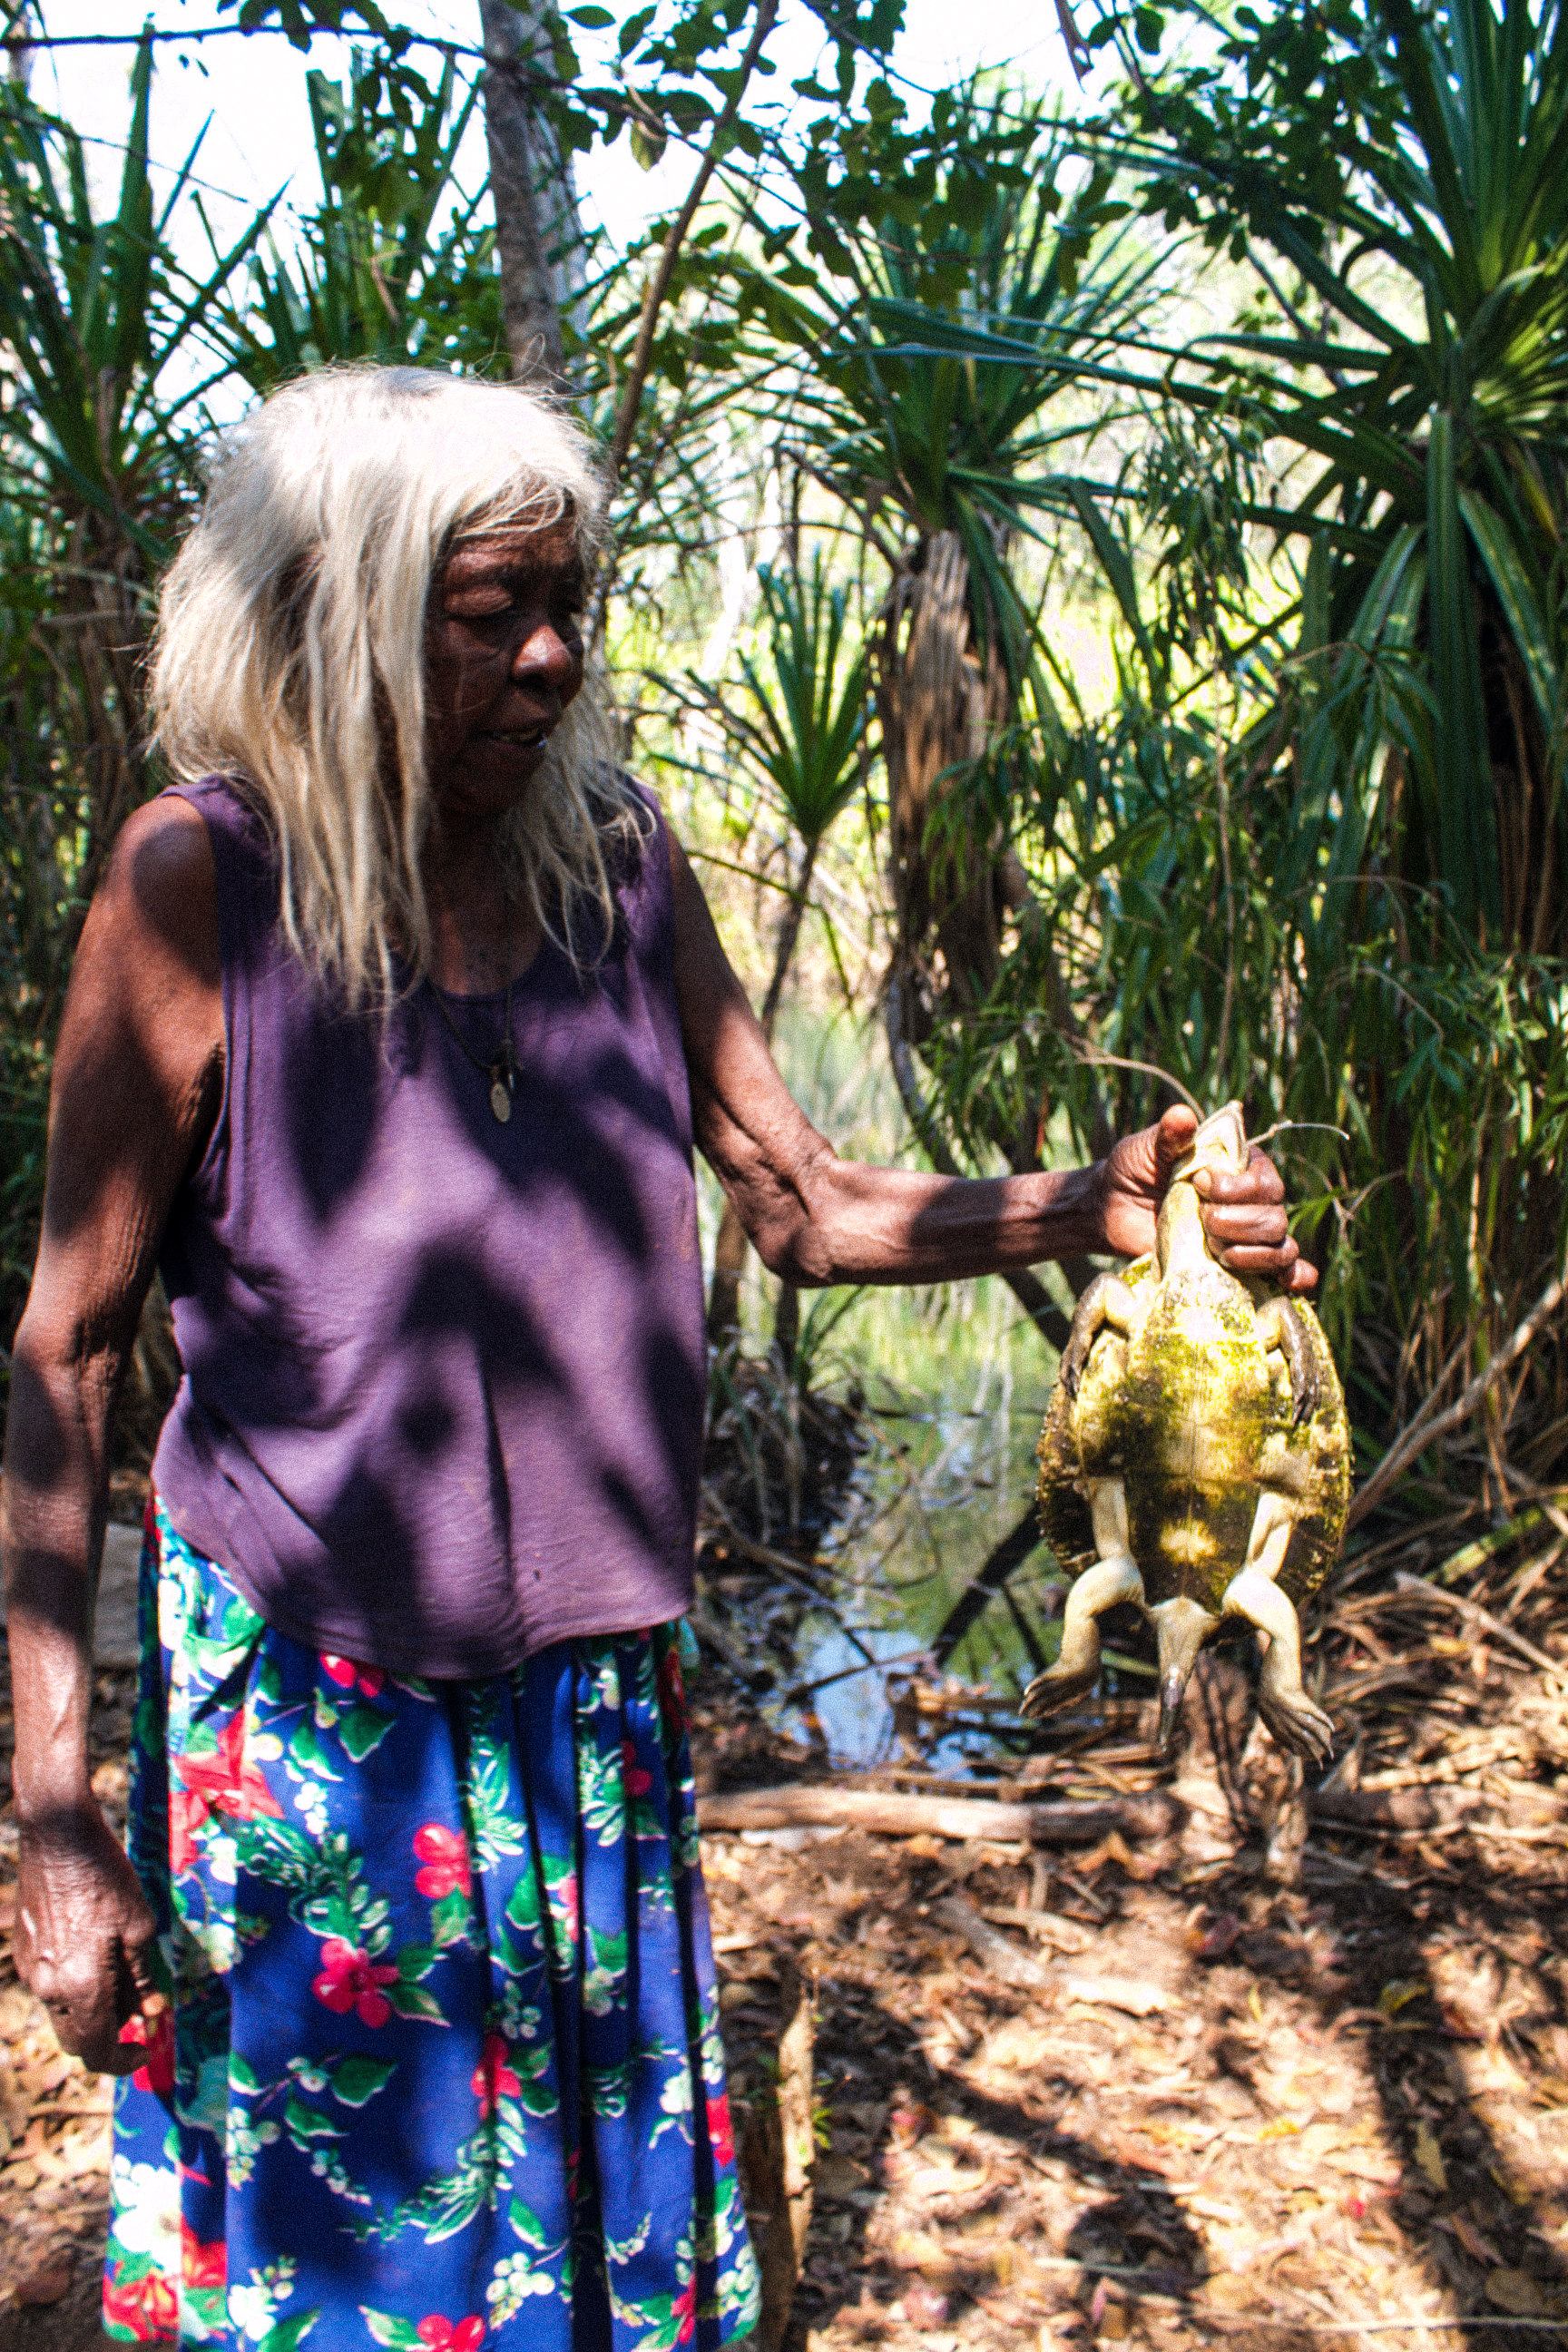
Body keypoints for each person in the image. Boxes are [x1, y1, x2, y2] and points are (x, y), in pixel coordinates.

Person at [0, 367, 1313, 2352]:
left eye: (572, 611)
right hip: (324, 1730)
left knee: (583, 2266)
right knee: (341, 2279)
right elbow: (65, 1350)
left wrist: (1104, 1202)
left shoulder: (611, 866)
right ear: (348, 617)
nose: (548, 659)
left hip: (591, 1712)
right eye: (487, 614)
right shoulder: (204, 894)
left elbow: (805, 1200)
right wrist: (59, 1819)